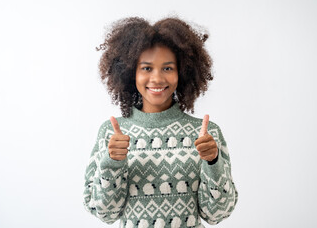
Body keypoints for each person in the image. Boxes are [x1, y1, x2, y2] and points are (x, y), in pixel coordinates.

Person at [83, 16, 238, 228]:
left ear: (182, 72)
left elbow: (216, 214)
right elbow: (105, 213)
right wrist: (112, 163)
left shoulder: (206, 134)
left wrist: (213, 162)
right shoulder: (111, 134)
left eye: (167, 68)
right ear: (130, 73)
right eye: (146, 68)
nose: (157, 78)